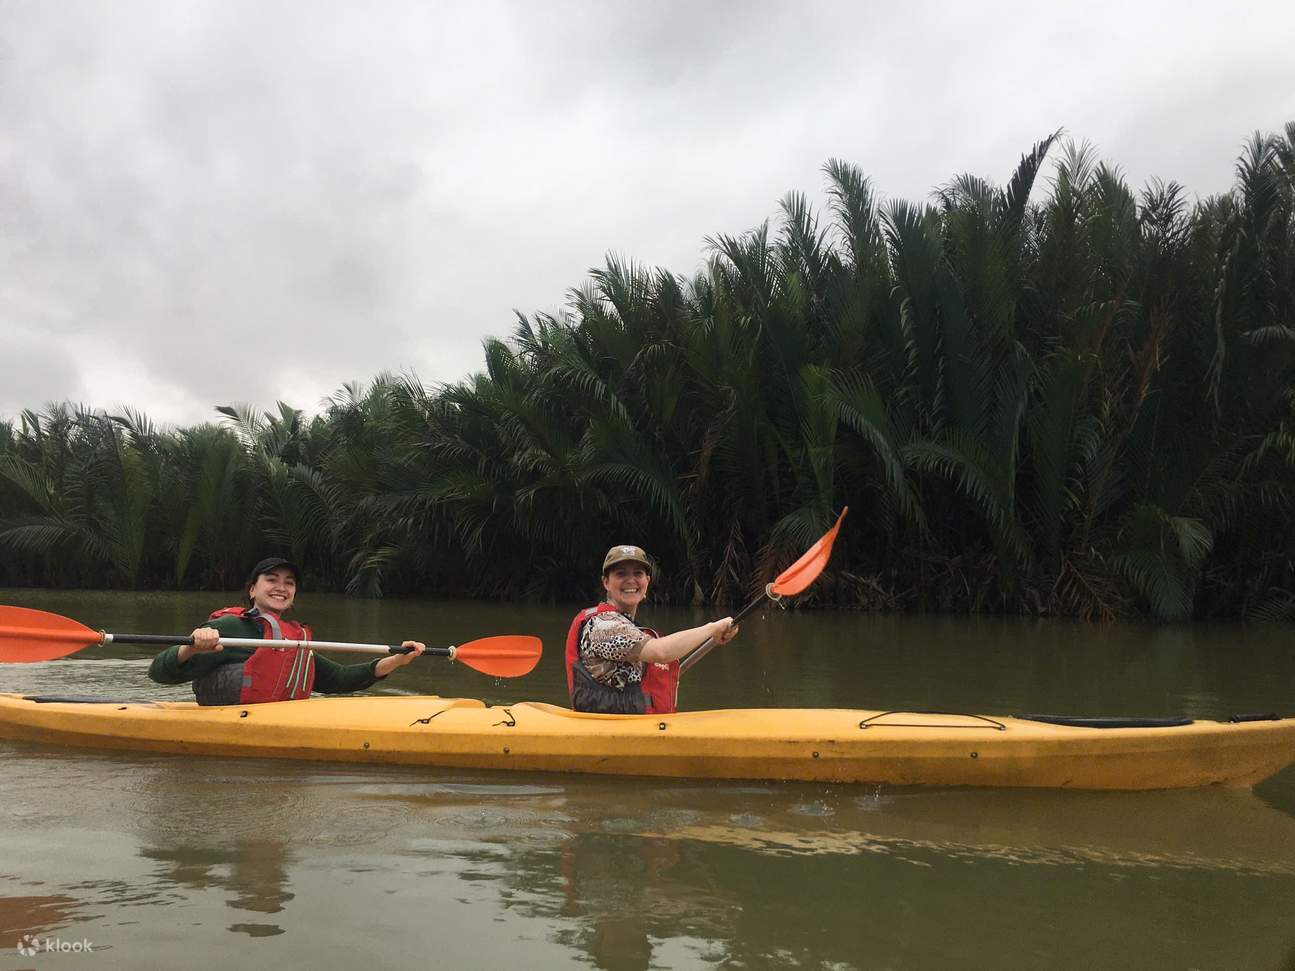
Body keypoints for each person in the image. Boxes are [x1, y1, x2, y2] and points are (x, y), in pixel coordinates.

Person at [148, 557, 425, 705]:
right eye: (271, 579)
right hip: (226, 725)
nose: (281, 587)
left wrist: (397, 660)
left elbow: (338, 678)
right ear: (253, 589)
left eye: (289, 582)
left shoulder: (294, 638)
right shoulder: (231, 627)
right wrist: (192, 647)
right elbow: (159, 672)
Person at [565, 545, 739, 714]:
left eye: (638, 573)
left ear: (647, 581)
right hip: (610, 731)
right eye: (621, 573)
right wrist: (711, 628)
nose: (630, 580)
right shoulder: (603, 625)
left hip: (634, 727)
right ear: (606, 582)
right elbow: (661, 652)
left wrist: (713, 638)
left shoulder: (629, 626)